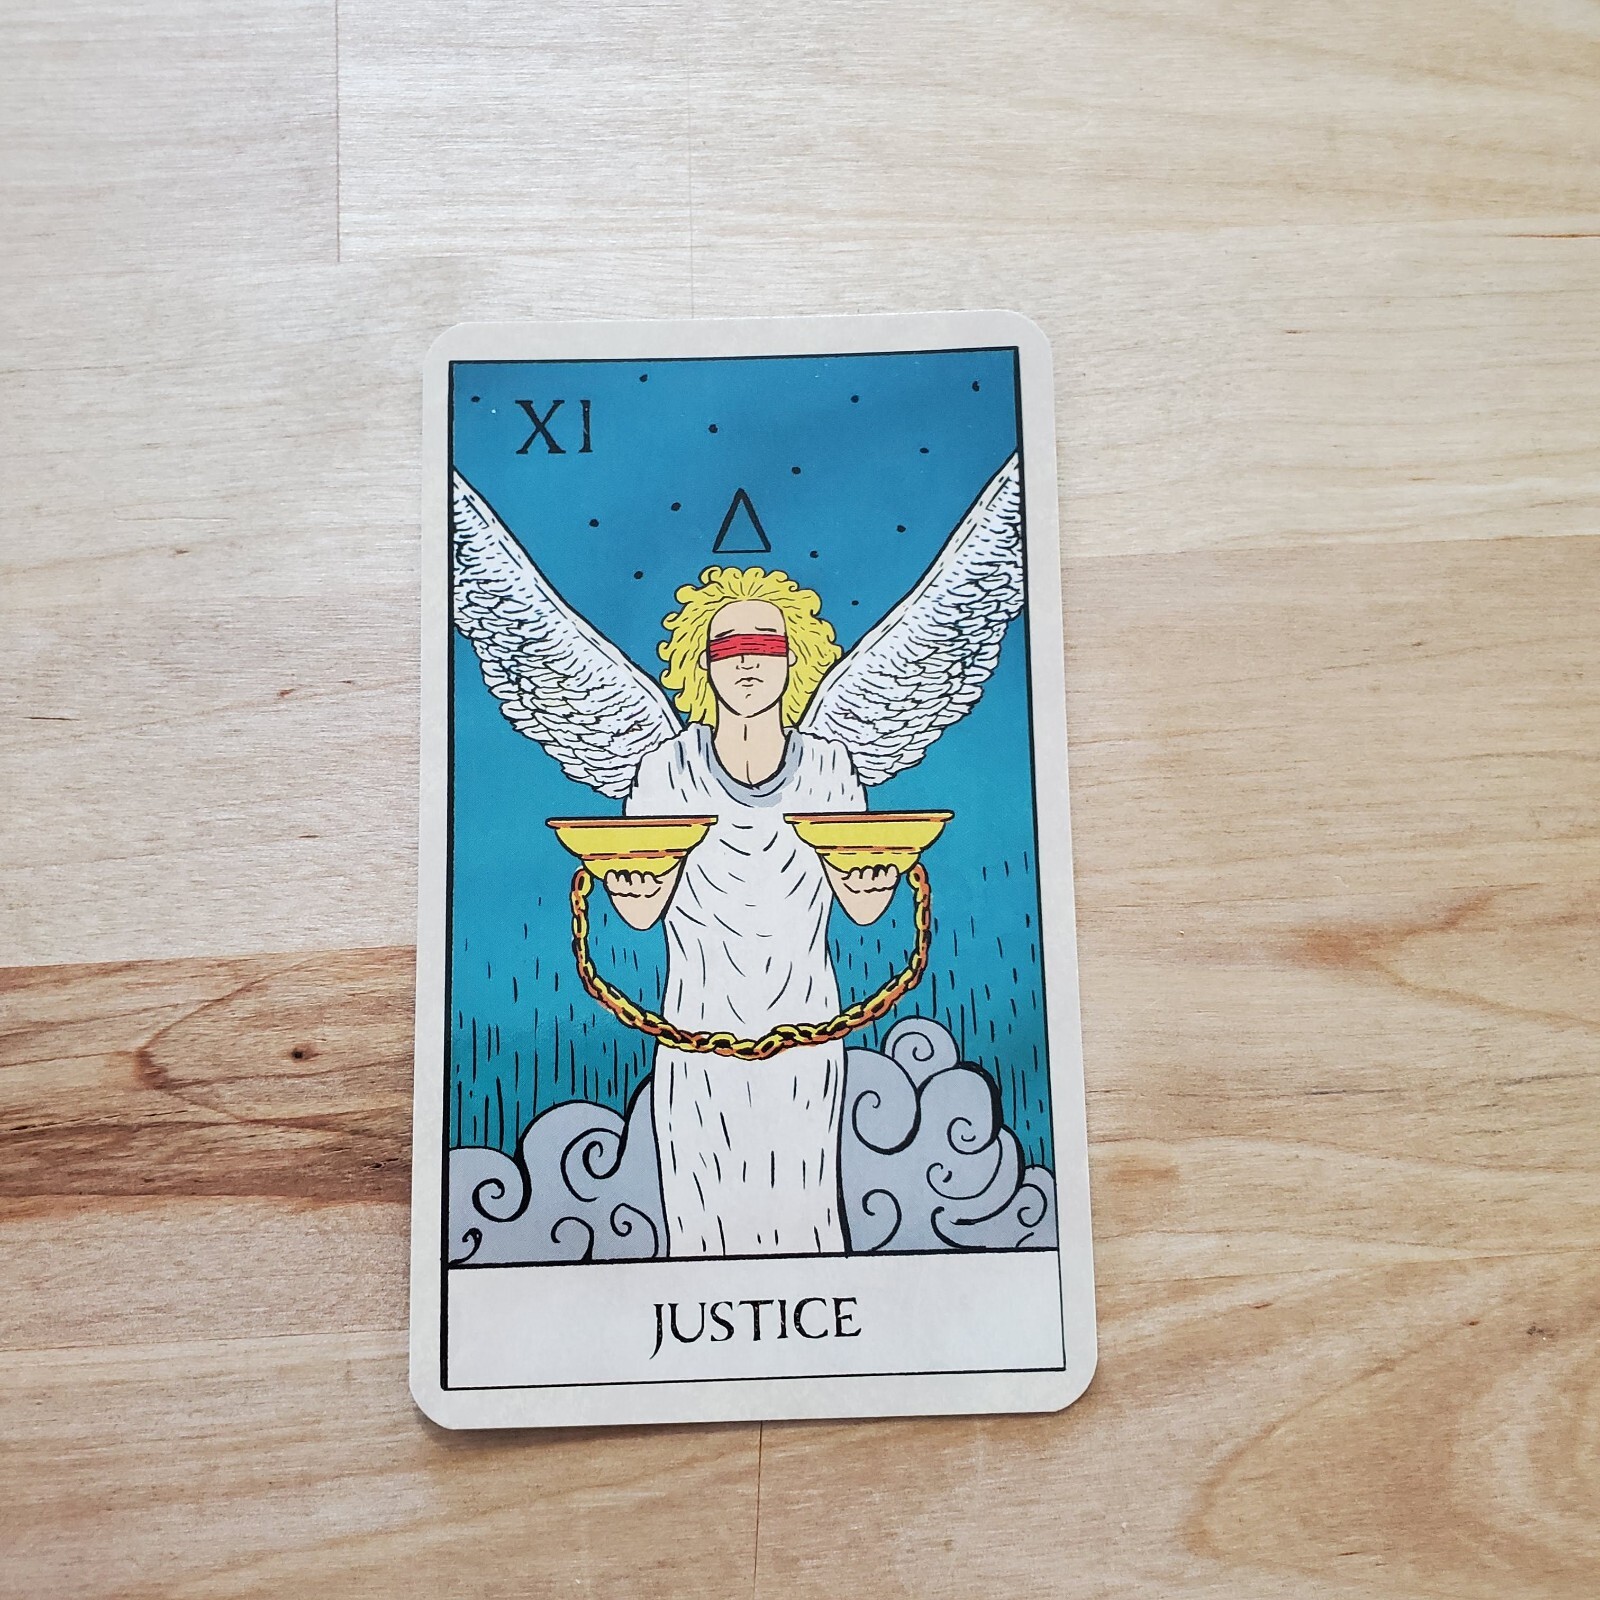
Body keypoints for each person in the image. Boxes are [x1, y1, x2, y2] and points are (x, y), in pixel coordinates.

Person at [605, 567, 897, 1257]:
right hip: (695, 1038)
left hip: (805, 1037)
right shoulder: (666, 772)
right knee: (700, 1217)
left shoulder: (828, 769)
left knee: (806, 1209)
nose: (746, 661)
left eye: (765, 645)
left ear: (794, 659)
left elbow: (861, 906)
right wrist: (631, 890)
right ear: (701, 663)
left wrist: (877, 878)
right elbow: (641, 913)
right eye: (728, 646)